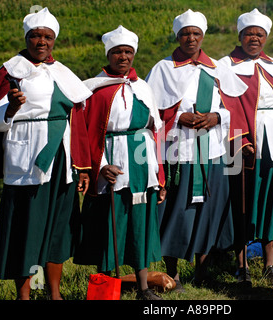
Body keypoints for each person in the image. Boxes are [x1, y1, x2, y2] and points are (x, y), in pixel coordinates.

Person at [0, 8, 92, 300]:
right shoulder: (11, 71)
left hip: (61, 159)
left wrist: (82, 166)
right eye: (36, 36)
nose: (42, 42)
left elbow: (76, 120)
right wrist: (10, 108)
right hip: (28, 160)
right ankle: (24, 296)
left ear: (54, 40)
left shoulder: (61, 71)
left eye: (48, 37)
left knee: (59, 225)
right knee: (27, 226)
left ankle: (55, 293)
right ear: (26, 37)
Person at [146, 9, 247, 289]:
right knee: (178, 212)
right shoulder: (162, 69)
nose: (190, 38)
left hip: (211, 151)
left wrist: (215, 118)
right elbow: (152, 110)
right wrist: (179, 117)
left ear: (203, 36)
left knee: (208, 211)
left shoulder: (217, 69)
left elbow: (233, 109)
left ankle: (202, 272)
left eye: (196, 33)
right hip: (179, 152)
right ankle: (173, 272)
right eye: (185, 33)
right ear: (177, 36)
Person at [72, 26, 166, 300]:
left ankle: (143, 287)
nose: (123, 57)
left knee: (140, 223)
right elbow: (88, 132)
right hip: (113, 160)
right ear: (108, 54)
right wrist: (100, 165)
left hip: (142, 160)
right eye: (117, 52)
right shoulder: (94, 89)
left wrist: (158, 175)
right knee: (110, 223)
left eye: (127, 52)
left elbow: (155, 129)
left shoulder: (143, 87)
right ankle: (106, 287)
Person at [218, 8, 273, 283]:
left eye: (259, 35)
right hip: (238, 145)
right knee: (238, 200)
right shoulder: (225, 66)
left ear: (265, 38)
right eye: (249, 34)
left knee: (271, 200)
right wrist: (241, 139)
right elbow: (223, 106)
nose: (254, 39)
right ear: (240, 36)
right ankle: (240, 263)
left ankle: (270, 262)